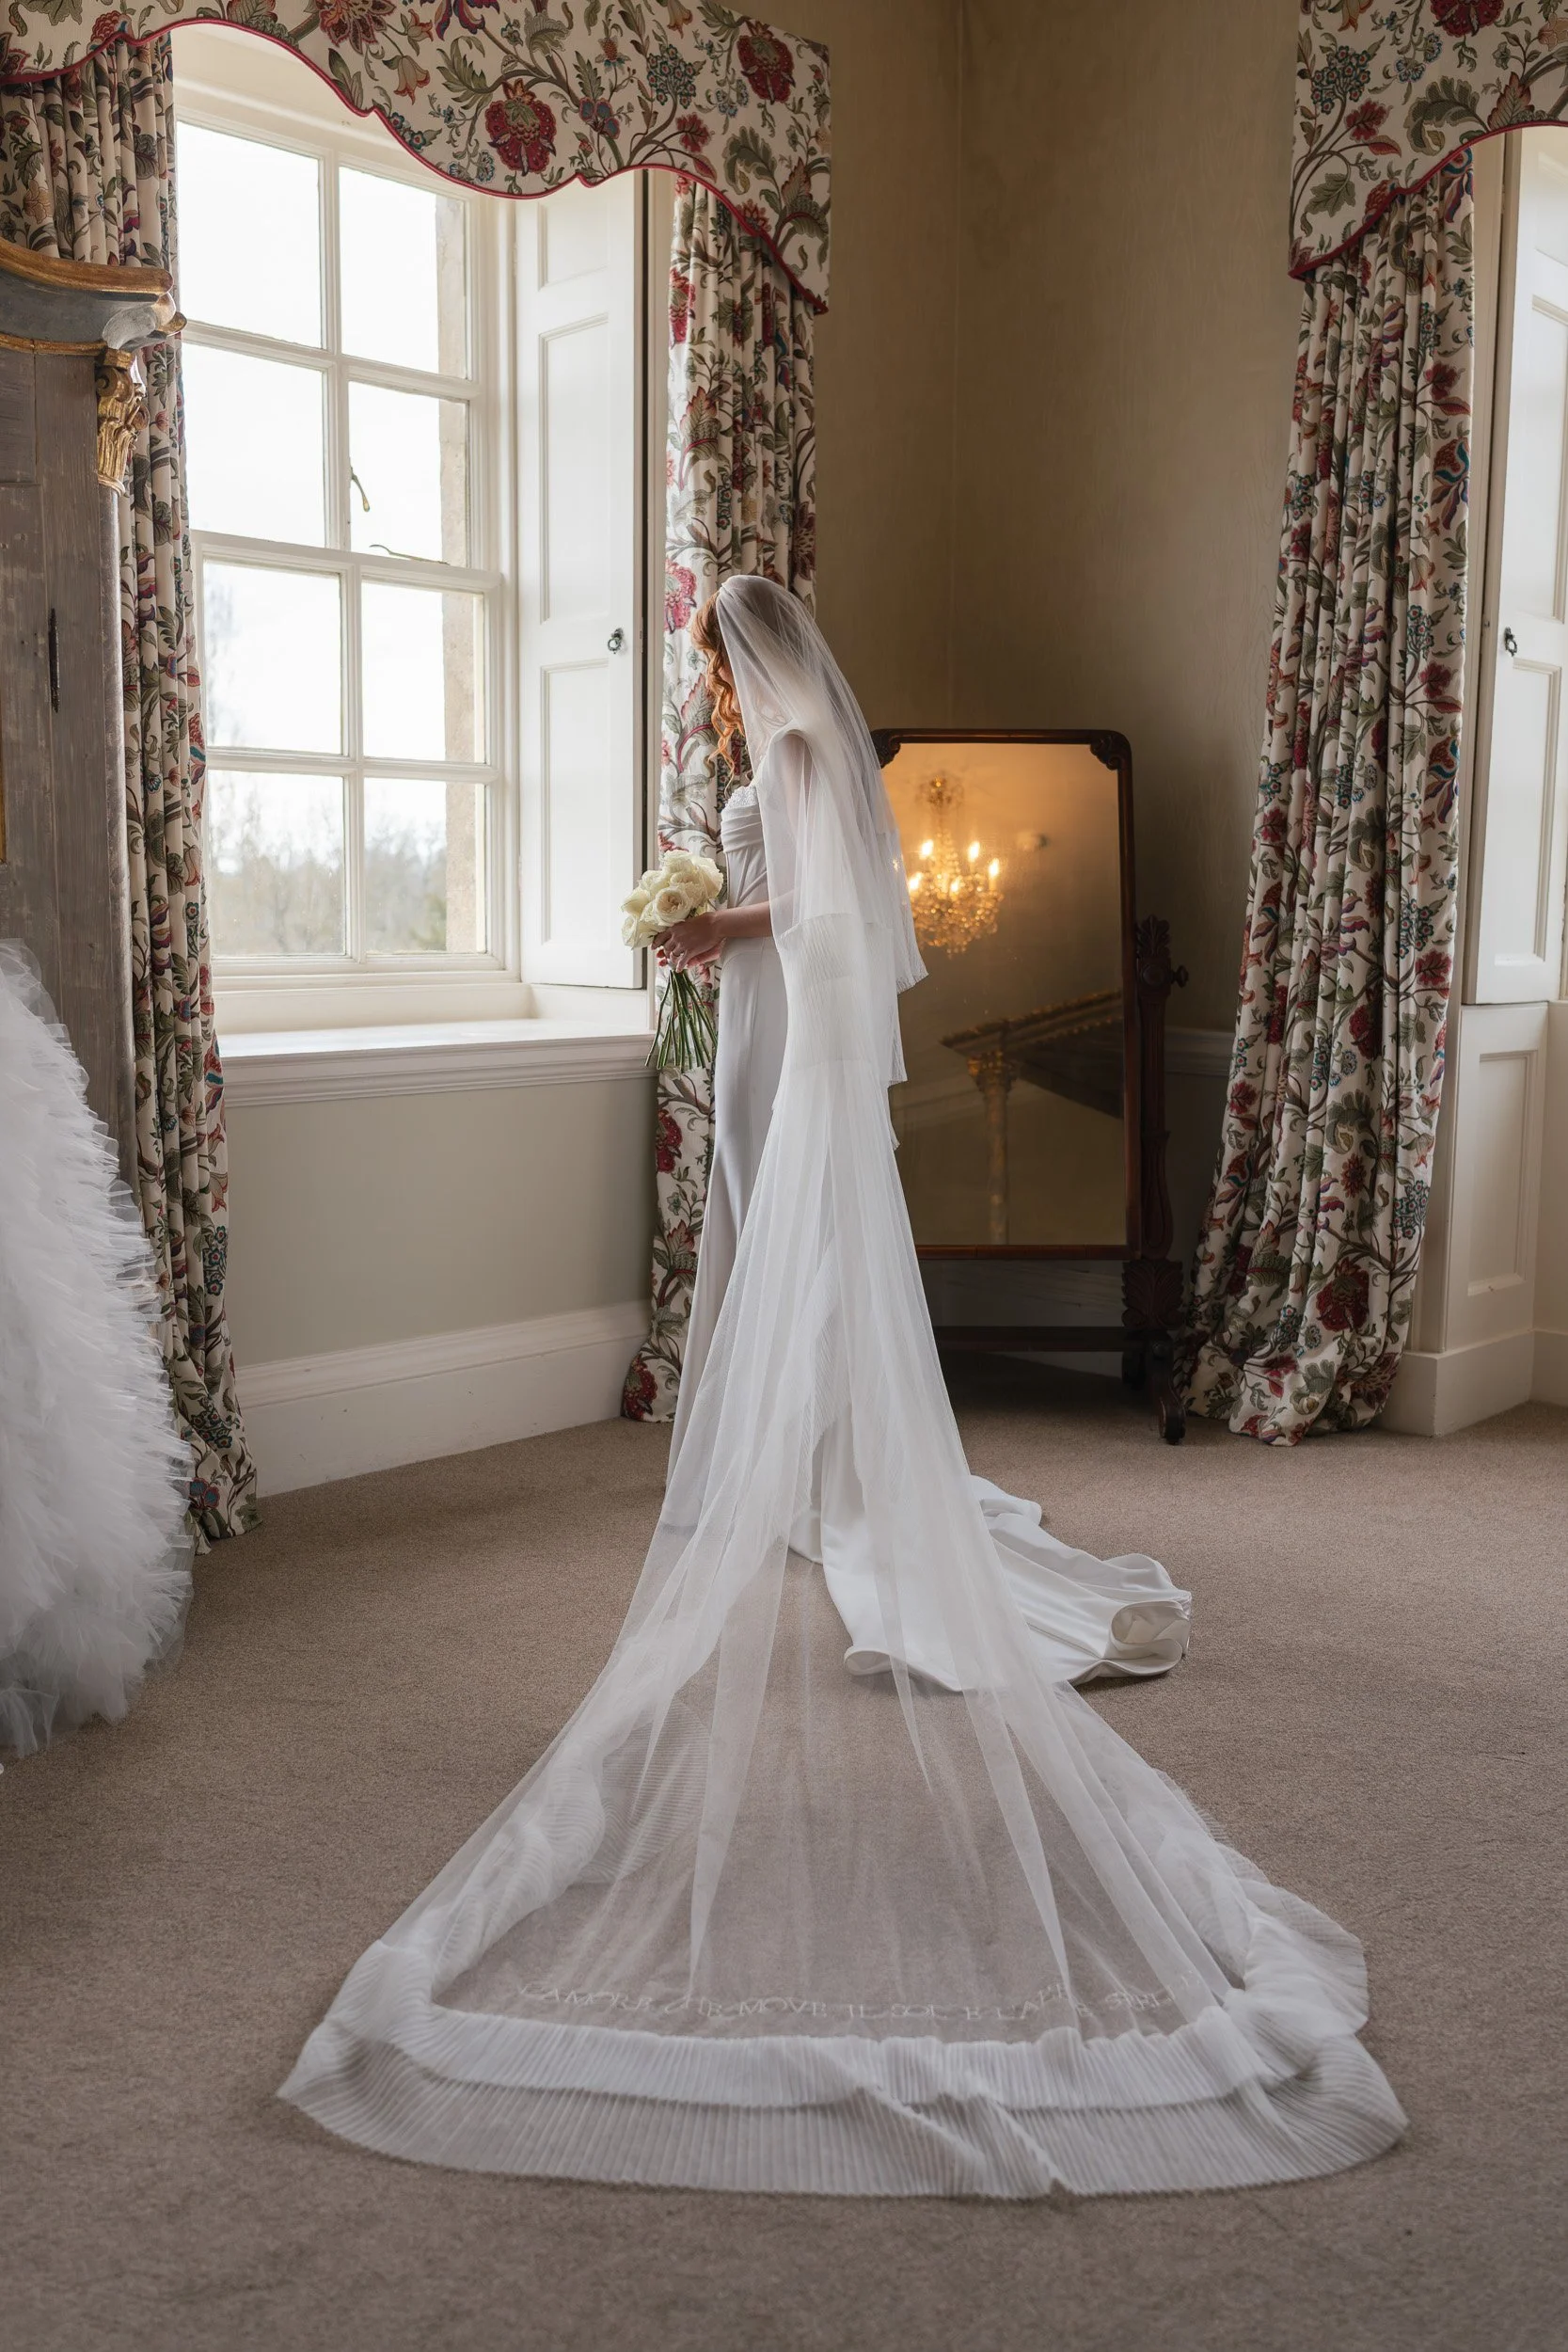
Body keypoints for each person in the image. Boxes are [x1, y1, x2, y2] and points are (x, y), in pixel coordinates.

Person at [282, 577, 1404, 2198]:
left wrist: (706, 921)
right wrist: (708, 925)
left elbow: (834, 924)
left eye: (724, 662)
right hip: (757, 1030)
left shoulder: (806, 754)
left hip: (781, 1026)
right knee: (761, 1229)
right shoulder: (798, 746)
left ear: (763, 653)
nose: (722, 689)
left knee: (792, 1230)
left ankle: (811, 1465)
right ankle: (796, 1457)